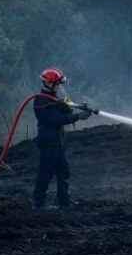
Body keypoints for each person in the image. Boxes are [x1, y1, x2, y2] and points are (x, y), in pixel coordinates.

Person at [32, 67, 91, 210]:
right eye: (57, 83)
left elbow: (66, 104)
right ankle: (39, 203)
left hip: (56, 141)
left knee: (64, 170)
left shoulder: (53, 97)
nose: (59, 86)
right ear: (49, 83)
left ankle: (64, 200)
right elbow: (56, 119)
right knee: (46, 173)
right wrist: (78, 116)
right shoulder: (41, 100)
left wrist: (79, 107)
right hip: (48, 142)